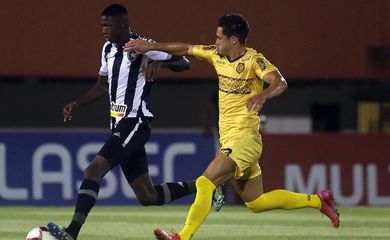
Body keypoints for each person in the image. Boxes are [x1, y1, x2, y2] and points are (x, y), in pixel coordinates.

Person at [125, 14, 340, 240]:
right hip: (230, 141)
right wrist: (149, 47)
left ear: (234, 40)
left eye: (219, 38)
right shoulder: (216, 55)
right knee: (256, 202)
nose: (216, 41)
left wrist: (264, 95)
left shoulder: (253, 61)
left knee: (205, 182)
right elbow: (186, 49)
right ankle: (319, 200)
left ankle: (183, 237)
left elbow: (279, 82)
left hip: (245, 140)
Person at [46, 4, 223, 240]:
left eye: (108, 25)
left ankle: (71, 233)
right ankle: (206, 187)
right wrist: (77, 104)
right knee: (147, 196)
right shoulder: (108, 48)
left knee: (93, 169)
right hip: (120, 126)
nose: (104, 30)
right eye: (102, 25)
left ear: (123, 25)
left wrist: (159, 62)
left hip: (135, 122)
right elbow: (102, 84)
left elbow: (184, 63)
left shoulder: (143, 45)